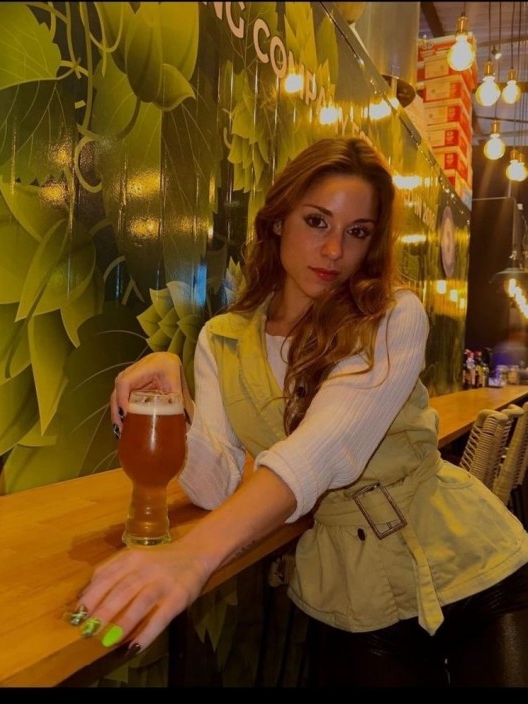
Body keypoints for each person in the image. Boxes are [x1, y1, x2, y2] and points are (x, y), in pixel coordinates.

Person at [68, 137, 528, 686]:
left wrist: (193, 556)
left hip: (474, 565)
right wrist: (177, 402)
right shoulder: (223, 339)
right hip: (354, 596)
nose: (334, 249)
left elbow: (323, 449)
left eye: (357, 232)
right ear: (278, 219)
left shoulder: (393, 316)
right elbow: (215, 486)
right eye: (316, 221)